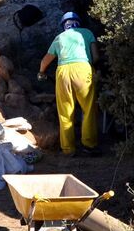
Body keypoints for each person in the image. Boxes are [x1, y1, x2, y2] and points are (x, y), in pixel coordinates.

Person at [37, 11, 100, 156]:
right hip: (83, 69)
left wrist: (41, 72)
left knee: (65, 112)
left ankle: (68, 149)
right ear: (78, 22)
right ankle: (89, 145)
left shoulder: (59, 37)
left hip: (63, 71)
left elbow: (45, 60)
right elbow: (96, 56)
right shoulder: (87, 32)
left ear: (63, 25)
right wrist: (96, 68)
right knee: (89, 108)